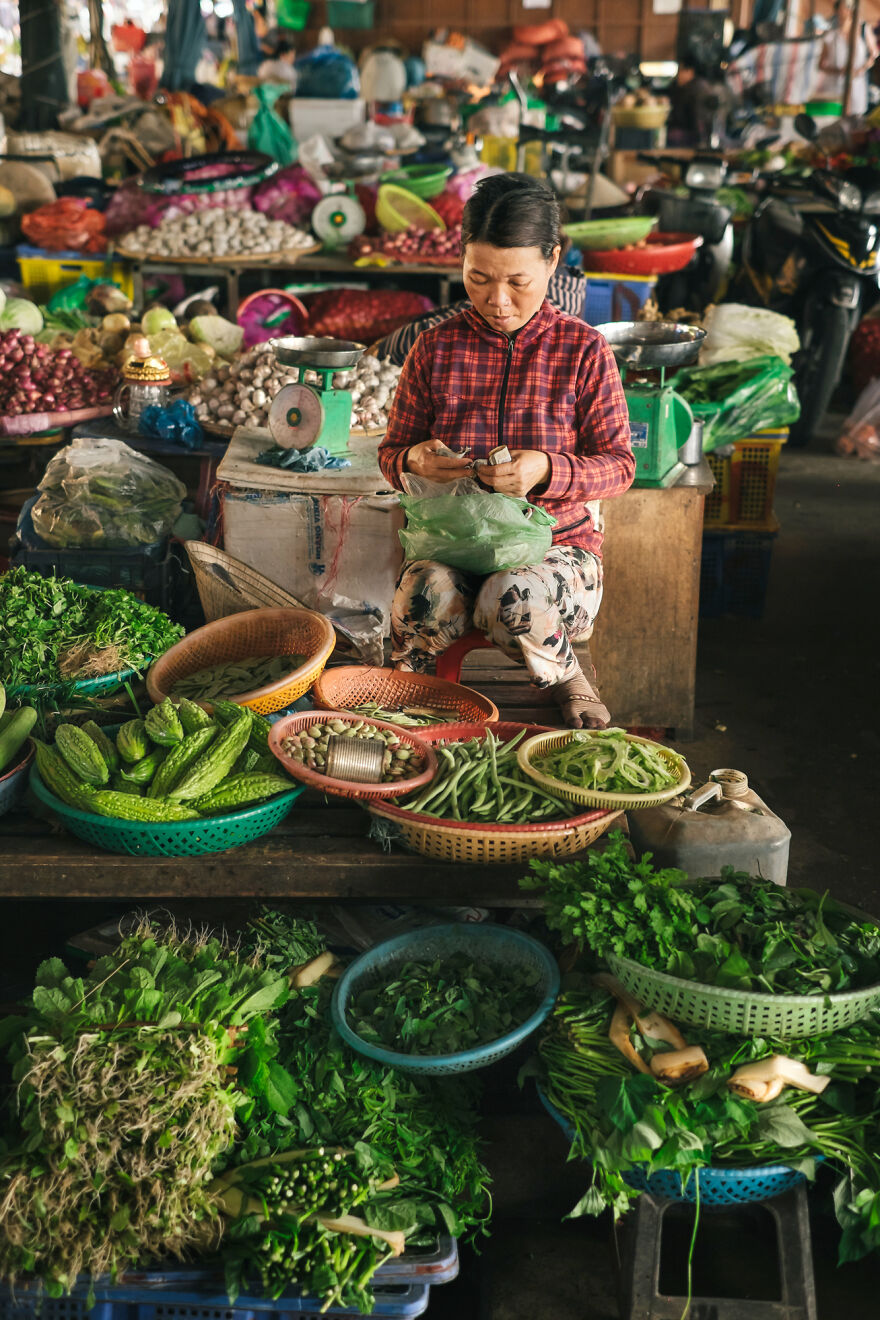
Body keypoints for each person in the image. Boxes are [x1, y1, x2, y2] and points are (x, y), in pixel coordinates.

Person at [377, 173, 635, 730]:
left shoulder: (584, 352)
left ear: (552, 262)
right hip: (454, 546)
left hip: (556, 553)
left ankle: (569, 679)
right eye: (478, 278)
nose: (498, 301)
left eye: (518, 281)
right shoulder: (434, 348)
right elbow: (391, 452)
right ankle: (411, 711)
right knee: (422, 590)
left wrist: (547, 469)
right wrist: (412, 462)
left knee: (510, 591)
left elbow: (620, 466)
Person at [819, 0, 878, 115]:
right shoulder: (830, 36)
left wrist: (861, 69)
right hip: (835, 86)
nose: (843, 12)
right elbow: (821, 65)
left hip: (857, 84)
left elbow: (873, 54)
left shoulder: (863, 30)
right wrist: (839, 71)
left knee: (855, 116)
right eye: (841, 9)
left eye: (846, 8)